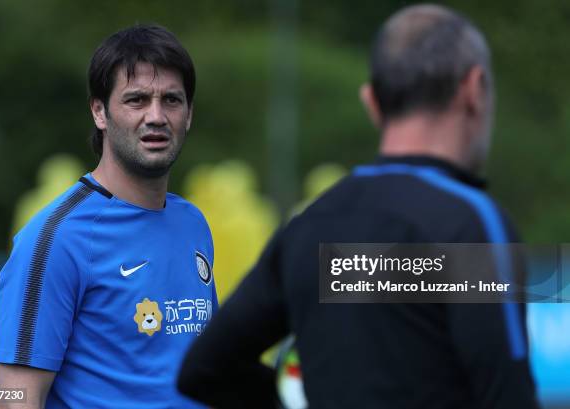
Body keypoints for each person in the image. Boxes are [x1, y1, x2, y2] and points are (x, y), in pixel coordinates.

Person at [178, 5, 540, 409]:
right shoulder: (471, 224)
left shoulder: (310, 225)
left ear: (371, 102)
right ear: (473, 89)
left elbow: (205, 370)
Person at [0, 24, 217, 409]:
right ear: (100, 111)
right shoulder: (56, 239)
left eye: (171, 100)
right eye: (136, 100)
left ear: (189, 114)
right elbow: (15, 400)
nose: (156, 116)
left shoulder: (193, 223)